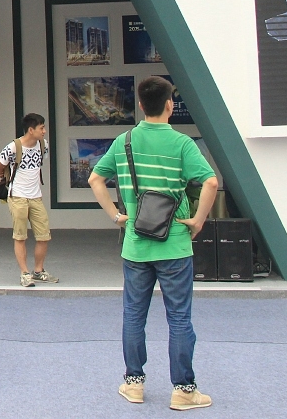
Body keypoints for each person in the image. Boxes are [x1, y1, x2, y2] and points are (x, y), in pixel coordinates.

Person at [88, 76, 218, 411]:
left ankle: (134, 384)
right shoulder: (183, 144)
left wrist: (116, 215)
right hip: (174, 245)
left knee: (134, 315)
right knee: (179, 318)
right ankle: (184, 390)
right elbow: (210, 183)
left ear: (141, 105)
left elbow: (95, 178)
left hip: (136, 244)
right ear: (170, 105)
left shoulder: (125, 142)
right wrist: (198, 220)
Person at [0, 113, 57, 287]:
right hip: (18, 196)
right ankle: (24, 273)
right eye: (41, 128)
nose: (44, 131)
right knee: (20, 236)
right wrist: (5, 178)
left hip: (36, 196)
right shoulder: (13, 147)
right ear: (31, 130)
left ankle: (38, 270)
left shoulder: (43, 145)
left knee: (43, 235)